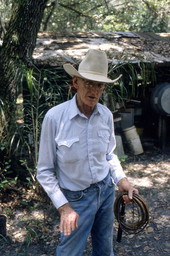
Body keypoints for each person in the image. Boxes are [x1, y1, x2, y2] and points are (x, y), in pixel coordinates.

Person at [37, 49, 138, 256]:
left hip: (106, 192)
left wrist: (122, 181)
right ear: (76, 82)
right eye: (88, 82)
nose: (94, 90)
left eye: (99, 85)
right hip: (75, 198)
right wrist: (64, 208)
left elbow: (109, 156)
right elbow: (44, 171)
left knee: (104, 250)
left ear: (104, 89)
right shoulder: (55, 118)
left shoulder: (106, 115)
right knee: (69, 252)